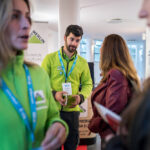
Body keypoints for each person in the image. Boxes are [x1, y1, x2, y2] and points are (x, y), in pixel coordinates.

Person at [0, 0, 68, 150]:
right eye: (15, 16)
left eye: (27, 17)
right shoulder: (50, 59)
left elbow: (53, 115)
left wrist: (58, 125)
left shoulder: (38, 74)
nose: (26, 25)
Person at [42, 24, 93, 150]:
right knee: (54, 146)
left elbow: (88, 84)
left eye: (77, 40)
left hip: (72, 112)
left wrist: (80, 97)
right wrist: (54, 94)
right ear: (65, 38)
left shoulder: (82, 63)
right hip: (53, 111)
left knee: (71, 146)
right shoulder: (50, 59)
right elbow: (42, 83)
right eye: (71, 39)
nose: (74, 43)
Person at [88, 34, 140, 148]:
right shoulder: (117, 74)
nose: (100, 52)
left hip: (114, 140)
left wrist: (92, 124)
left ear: (107, 52)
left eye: (102, 48)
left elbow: (112, 113)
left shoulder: (116, 74)